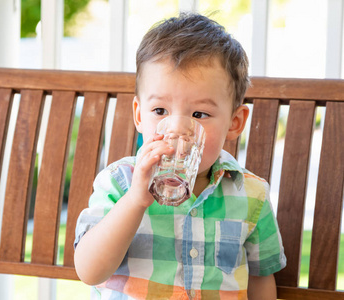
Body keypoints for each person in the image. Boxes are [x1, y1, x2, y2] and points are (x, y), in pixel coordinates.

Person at [74, 13, 286, 300]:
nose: (177, 130)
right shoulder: (120, 183)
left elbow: (261, 277)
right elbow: (89, 271)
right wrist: (135, 200)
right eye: (160, 111)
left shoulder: (251, 195)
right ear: (139, 114)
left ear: (235, 122)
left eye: (199, 114)